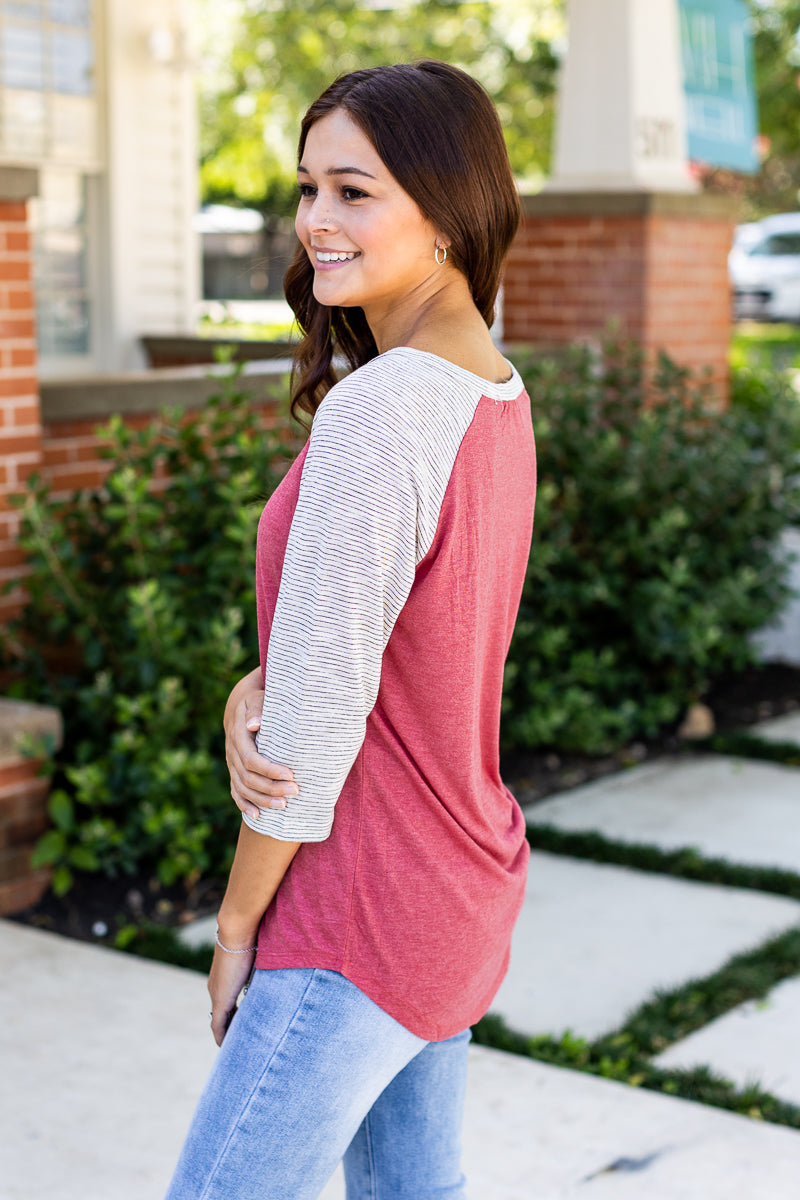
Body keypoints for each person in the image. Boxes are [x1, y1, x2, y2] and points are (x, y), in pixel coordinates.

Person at [166, 59, 536, 1200]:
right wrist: (262, 680)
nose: (316, 220)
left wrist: (236, 929)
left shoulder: (383, 410)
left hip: (356, 916)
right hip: (450, 890)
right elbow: (402, 639)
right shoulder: (490, 386)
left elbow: (315, 738)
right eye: (307, 188)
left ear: (447, 211)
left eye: (354, 191)